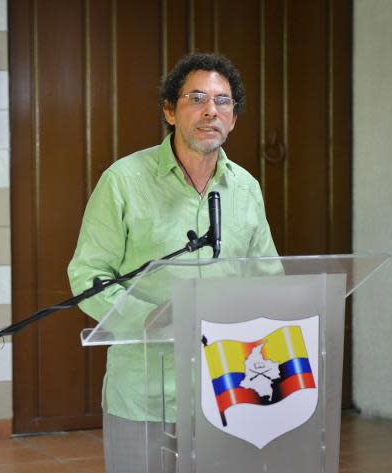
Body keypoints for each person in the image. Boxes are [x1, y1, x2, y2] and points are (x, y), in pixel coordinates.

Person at [67, 53, 278, 472]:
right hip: (145, 392)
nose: (210, 111)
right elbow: (88, 275)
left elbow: (268, 279)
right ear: (169, 110)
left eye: (222, 101)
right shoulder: (123, 181)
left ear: (234, 118)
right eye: (196, 98)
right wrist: (154, 320)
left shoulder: (247, 189)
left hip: (228, 388)